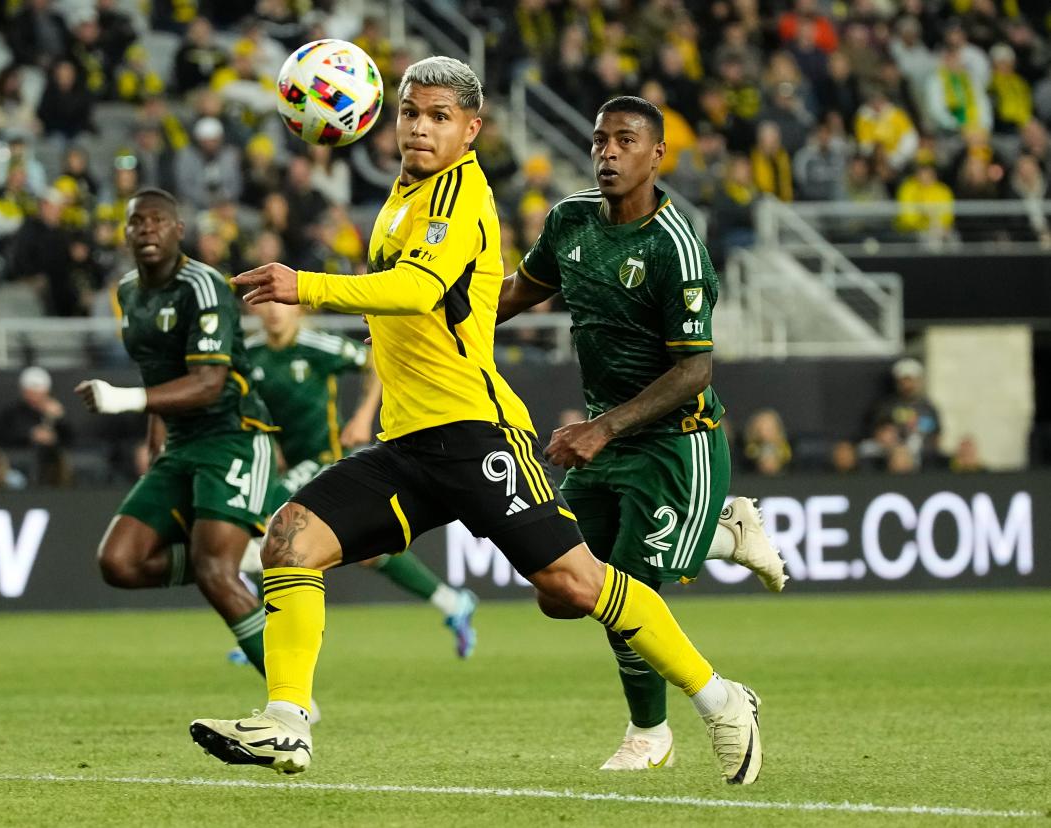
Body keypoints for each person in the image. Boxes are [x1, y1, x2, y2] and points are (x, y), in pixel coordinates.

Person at [195, 57, 765, 786]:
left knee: (575, 586)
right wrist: (396, 328)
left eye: (438, 117)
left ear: (471, 129)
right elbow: (445, 297)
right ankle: (285, 721)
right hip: (405, 442)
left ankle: (721, 701)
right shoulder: (403, 197)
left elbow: (421, 284)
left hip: (473, 433)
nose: (420, 129)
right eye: (409, 114)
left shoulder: (463, 196)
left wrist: (304, 287)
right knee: (290, 540)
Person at [495, 95, 787, 773]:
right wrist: (441, 323)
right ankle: (728, 533)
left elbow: (695, 369)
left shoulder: (675, 247)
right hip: (607, 436)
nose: (607, 153)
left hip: (674, 440)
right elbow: (516, 292)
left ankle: (649, 734)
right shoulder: (569, 220)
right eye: (600, 140)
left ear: (657, 155)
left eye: (625, 141)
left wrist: (603, 427)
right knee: (559, 590)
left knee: (627, 586)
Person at [74, 187, 283, 691]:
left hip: (234, 437)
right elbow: (157, 373)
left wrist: (124, 401)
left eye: (157, 221)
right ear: (124, 233)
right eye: (136, 222)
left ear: (178, 231)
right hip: (180, 444)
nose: (146, 229)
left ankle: (292, 695)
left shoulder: (204, 285)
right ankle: (222, 559)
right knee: (118, 563)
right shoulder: (128, 291)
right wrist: (154, 438)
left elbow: (209, 383)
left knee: (216, 573)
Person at [243, 300, 479, 658]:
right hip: (283, 463)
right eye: (268, 305)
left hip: (322, 459)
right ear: (256, 311)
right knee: (368, 552)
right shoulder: (251, 354)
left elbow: (376, 361)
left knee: (275, 526)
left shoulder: (319, 345)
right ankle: (453, 602)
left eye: (283, 304)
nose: (276, 311)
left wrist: (363, 416)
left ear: (298, 310)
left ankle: (262, 633)